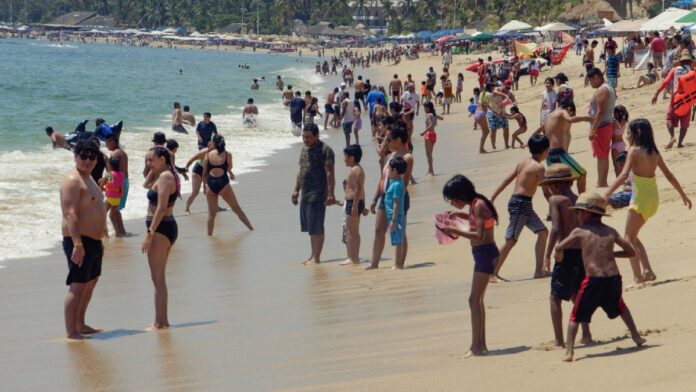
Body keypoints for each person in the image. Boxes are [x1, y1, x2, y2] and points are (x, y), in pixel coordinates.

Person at [555, 191, 645, 362]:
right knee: (621, 307)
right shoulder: (611, 231)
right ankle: (636, 336)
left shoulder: (579, 231)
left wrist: (558, 257)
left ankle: (569, 351)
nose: (577, 216)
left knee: (575, 315)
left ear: (587, 213)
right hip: (612, 279)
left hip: (593, 281)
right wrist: (612, 254)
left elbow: (559, 247)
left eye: (578, 212)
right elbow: (631, 251)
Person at [604, 119, 691, 284]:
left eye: (628, 133)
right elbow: (669, 175)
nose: (626, 136)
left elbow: (623, 176)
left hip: (640, 199)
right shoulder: (654, 152)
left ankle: (638, 277)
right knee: (633, 237)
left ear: (637, 133)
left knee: (628, 239)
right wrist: (683, 195)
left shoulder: (634, 151)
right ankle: (648, 271)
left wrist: (607, 194)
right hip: (652, 199)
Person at [440, 175, 499, 357]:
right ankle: (480, 345)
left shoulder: (479, 205)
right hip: (483, 254)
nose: (452, 203)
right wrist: (460, 216)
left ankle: (476, 347)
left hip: (485, 254)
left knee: (473, 300)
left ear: (460, 196)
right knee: (477, 300)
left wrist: (455, 230)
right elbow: (477, 221)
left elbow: (480, 235)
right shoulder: (476, 205)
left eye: (452, 200)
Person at [540, 164, 591, 348]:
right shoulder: (577, 199)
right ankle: (586, 333)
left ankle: (560, 340)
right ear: (569, 181)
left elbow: (555, 228)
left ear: (553, 185)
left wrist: (547, 255)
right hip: (581, 251)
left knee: (555, 297)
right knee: (576, 293)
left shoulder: (555, 200)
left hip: (566, 251)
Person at [60, 140, 107, 339]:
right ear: (75, 157)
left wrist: (101, 237)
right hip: (79, 241)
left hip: (93, 240)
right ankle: (71, 332)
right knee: (78, 285)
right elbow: (71, 214)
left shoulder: (89, 178)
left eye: (91, 157)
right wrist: (77, 244)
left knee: (91, 282)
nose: (87, 160)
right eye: (83, 156)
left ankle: (80, 324)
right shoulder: (72, 180)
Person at [490, 135, 550, 282]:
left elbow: (506, 180)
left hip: (521, 203)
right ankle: (492, 273)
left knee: (543, 232)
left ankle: (538, 271)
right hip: (521, 204)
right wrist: (557, 205)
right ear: (545, 151)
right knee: (511, 239)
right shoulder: (539, 168)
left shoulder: (523, 162)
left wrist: (492, 197)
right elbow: (546, 191)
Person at [142, 146, 180, 331]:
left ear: (162, 160)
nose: (149, 163)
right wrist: (151, 169)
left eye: (151, 160)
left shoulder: (165, 177)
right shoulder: (162, 174)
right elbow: (145, 184)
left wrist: (149, 234)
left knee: (157, 279)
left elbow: (162, 207)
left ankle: (160, 322)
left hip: (161, 229)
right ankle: (162, 320)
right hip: (163, 228)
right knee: (159, 278)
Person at [367, 125, 414, 270]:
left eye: (389, 139)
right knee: (378, 229)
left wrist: (395, 201)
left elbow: (404, 183)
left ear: (398, 140)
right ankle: (374, 263)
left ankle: (399, 263)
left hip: (397, 198)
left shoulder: (407, 157)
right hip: (384, 196)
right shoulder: (390, 155)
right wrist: (375, 198)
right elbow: (383, 178)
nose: (387, 142)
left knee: (398, 229)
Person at [291, 123, 336, 265]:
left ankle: (317, 258)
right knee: (311, 227)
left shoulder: (326, 150)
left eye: (308, 137)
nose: (305, 139)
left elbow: (330, 174)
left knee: (317, 226)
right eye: (304, 137)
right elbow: (301, 171)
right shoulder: (304, 149)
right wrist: (296, 190)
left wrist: (330, 194)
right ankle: (312, 255)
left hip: (318, 193)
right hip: (305, 192)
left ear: (317, 136)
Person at [536, 100, 592, 194]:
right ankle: (582, 199)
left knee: (558, 180)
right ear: (569, 109)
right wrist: (587, 118)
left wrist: (530, 140)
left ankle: (561, 204)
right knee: (582, 174)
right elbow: (570, 119)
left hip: (548, 155)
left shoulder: (550, 115)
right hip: (558, 153)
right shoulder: (562, 112)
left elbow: (540, 129)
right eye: (571, 113)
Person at [202, 135, 254, 235]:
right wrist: (230, 173)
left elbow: (204, 173)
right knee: (236, 209)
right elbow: (229, 167)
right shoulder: (228, 154)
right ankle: (251, 228)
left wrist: (204, 186)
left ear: (214, 143)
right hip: (223, 184)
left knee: (211, 214)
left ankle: (209, 236)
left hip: (210, 184)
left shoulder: (208, 155)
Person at [587, 67, 616, 188]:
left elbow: (600, 112)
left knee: (601, 156)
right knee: (603, 155)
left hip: (602, 127)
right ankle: (603, 182)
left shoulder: (602, 90)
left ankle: (601, 183)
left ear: (596, 77)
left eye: (590, 80)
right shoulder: (608, 88)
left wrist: (593, 129)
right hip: (605, 125)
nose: (590, 83)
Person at [340, 145, 366, 265]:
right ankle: (355, 256)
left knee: (351, 231)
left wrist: (355, 205)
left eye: (345, 156)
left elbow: (358, 189)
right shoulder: (357, 169)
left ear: (352, 157)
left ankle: (352, 257)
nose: (344, 159)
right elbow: (360, 189)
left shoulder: (356, 170)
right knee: (354, 231)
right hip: (356, 202)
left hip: (353, 203)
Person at [384, 157, 407, 268]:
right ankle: (398, 263)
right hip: (392, 216)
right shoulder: (396, 182)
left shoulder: (397, 184)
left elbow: (396, 203)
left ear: (395, 171)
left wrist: (393, 220)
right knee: (396, 239)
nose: (387, 171)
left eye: (389, 169)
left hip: (396, 216)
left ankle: (398, 264)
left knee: (398, 241)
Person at [105, 134, 128, 237]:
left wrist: (103, 182)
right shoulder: (122, 152)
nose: (106, 145)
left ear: (112, 142)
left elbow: (111, 173)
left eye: (107, 143)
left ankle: (118, 233)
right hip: (124, 181)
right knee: (116, 210)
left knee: (112, 212)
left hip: (118, 185)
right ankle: (122, 231)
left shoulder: (114, 154)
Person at [421, 101, 443, 176]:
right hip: (434, 134)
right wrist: (436, 116)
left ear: (427, 108)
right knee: (430, 154)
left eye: (424, 107)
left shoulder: (428, 115)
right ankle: (429, 170)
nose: (424, 109)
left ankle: (431, 171)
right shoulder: (433, 114)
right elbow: (442, 118)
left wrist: (423, 132)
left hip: (428, 135)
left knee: (428, 154)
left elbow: (430, 125)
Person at [611, 105, 629, 177]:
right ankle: (624, 178)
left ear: (617, 113)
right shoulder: (624, 121)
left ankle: (618, 179)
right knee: (622, 164)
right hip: (622, 144)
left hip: (615, 145)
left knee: (616, 164)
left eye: (614, 113)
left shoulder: (614, 122)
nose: (613, 114)